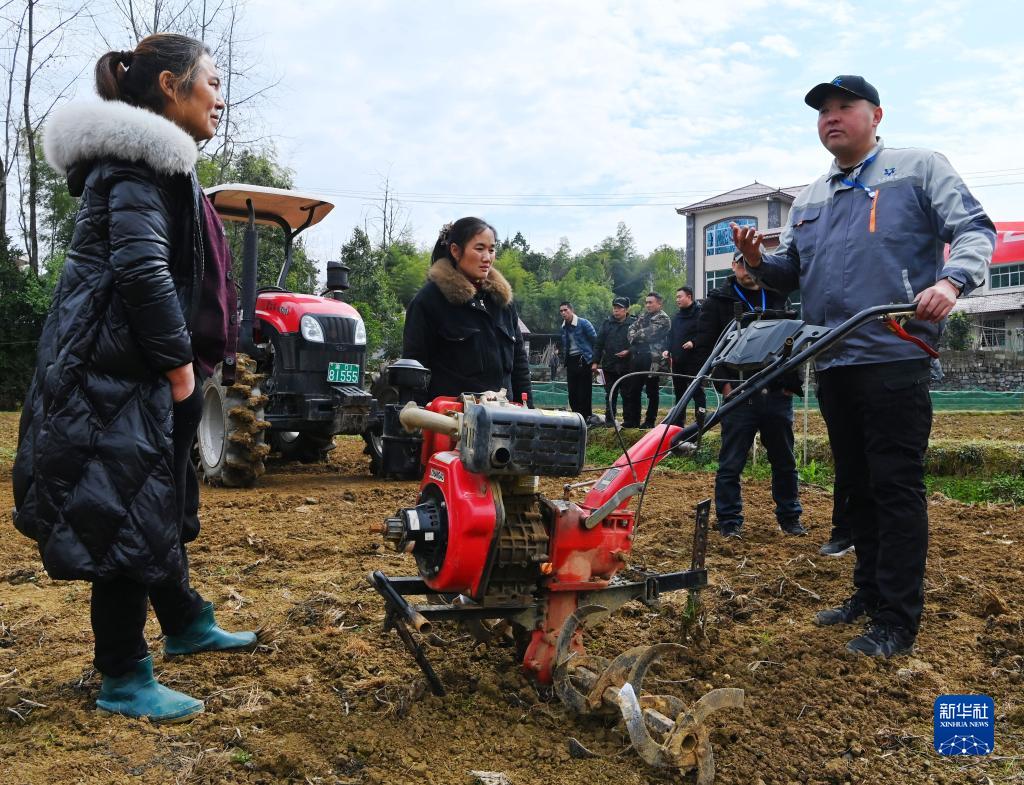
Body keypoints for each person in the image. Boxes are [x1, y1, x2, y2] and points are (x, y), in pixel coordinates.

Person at [12, 34, 257, 723]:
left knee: (156, 506)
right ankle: (122, 673)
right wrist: (179, 368)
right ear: (172, 87)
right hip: (114, 378)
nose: (220, 96)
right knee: (123, 512)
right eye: (212, 82)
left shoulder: (159, 166)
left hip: (138, 370)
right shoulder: (135, 168)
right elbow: (142, 272)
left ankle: (183, 620)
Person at [732, 74, 994, 658]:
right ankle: (868, 594)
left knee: (894, 486)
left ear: (876, 115)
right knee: (855, 487)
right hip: (832, 358)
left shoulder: (918, 169)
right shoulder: (810, 197)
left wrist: (951, 281)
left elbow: (976, 229)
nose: (831, 116)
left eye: (843, 106)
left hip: (894, 353)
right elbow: (790, 272)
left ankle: (897, 620)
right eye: (822, 110)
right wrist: (758, 263)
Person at [694, 254, 806, 539]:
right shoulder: (718, 302)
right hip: (738, 392)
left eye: (750, 263)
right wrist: (724, 385)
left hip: (776, 391)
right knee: (731, 462)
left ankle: (790, 517)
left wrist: (791, 384)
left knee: (784, 460)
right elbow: (707, 348)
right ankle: (730, 521)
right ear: (733, 266)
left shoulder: (777, 296)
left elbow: (795, 340)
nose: (746, 269)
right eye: (741, 264)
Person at [404, 218, 532, 405]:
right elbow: (414, 369)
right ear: (455, 251)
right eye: (479, 249)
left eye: (491, 250)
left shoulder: (503, 302)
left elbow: (520, 366)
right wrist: (417, 417)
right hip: (450, 417)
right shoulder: (430, 300)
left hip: (504, 415)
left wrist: (529, 413)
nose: (487, 258)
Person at [624, 292, 670, 428]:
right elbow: (630, 329)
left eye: (651, 302)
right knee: (634, 389)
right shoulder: (644, 316)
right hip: (638, 356)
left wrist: (636, 335)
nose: (647, 305)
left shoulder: (663, 318)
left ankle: (650, 421)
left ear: (659, 304)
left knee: (651, 391)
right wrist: (637, 335)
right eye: (646, 302)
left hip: (653, 359)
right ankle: (633, 420)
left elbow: (648, 334)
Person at [663, 286, 706, 423]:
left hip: (694, 360)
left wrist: (693, 342)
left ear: (689, 297)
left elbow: (705, 333)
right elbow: (671, 336)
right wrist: (667, 349)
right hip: (678, 360)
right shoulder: (677, 316)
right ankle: (678, 423)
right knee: (679, 393)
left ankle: (700, 423)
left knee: (697, 391)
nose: (677, 300)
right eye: (676, 297)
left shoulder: (700, 313)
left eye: (679, 297)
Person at [591, 296, 635, 426]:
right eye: (615, 308)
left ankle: (628, 421)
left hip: (627, 365)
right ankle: (610, 420)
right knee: (610, 393)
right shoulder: (607, 323)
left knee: (627, 394)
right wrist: (595, 362)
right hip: (609, 365)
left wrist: (629, 351)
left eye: (619, 308)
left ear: (626, 310)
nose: (616, 310)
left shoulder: (634, 323)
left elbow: (639, 343)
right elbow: (598, 344)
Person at [558, 301, 599, 423]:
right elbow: (565, 346)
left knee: (584, 391)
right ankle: (576, 418)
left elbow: (596, 342)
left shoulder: (584, 323)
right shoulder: (563, 327)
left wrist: (595, 361)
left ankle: (586, 417)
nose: (563, 313)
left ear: (572, 310)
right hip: (571, 361)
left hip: (584, 359)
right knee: (572, 392)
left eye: (565, 310)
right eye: (561, 311)